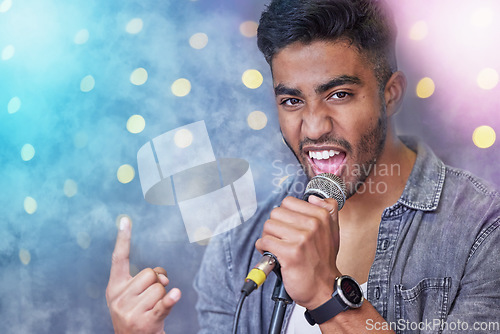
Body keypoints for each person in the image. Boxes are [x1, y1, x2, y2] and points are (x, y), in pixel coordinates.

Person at [106, 0, 500, 333]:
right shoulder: (237, 249)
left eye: (339, 94)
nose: (313, 127)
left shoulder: (482, 229)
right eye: (292, 101)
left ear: (391, 94)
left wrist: (326, 295)